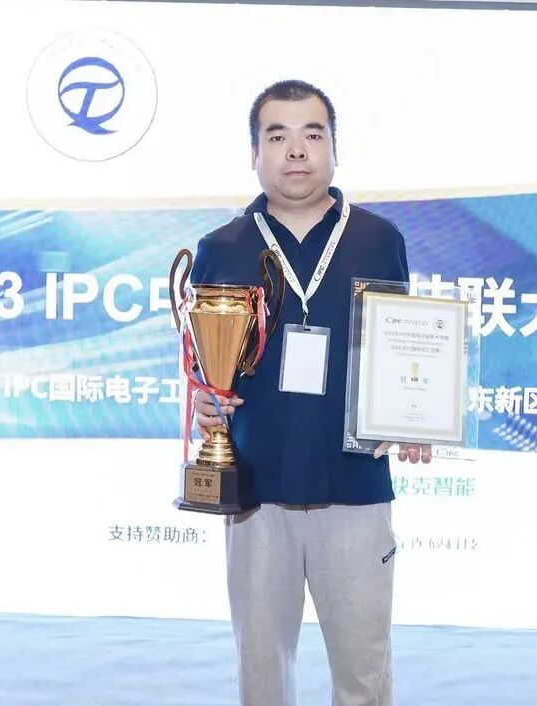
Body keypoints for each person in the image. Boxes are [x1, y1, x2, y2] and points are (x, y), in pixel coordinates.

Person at [188, 79, 430, 706]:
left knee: (364, 674)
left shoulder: (379, 240)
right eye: (277, 136)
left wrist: (415, 415)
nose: (296, 150)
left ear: (334, 148)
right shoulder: (221, 248)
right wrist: (205, 403)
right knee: (262, 676)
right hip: (255, 494)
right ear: (255, 153)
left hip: (355, 486)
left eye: (312, 134)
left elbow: (403, 349)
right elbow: (203, 368)